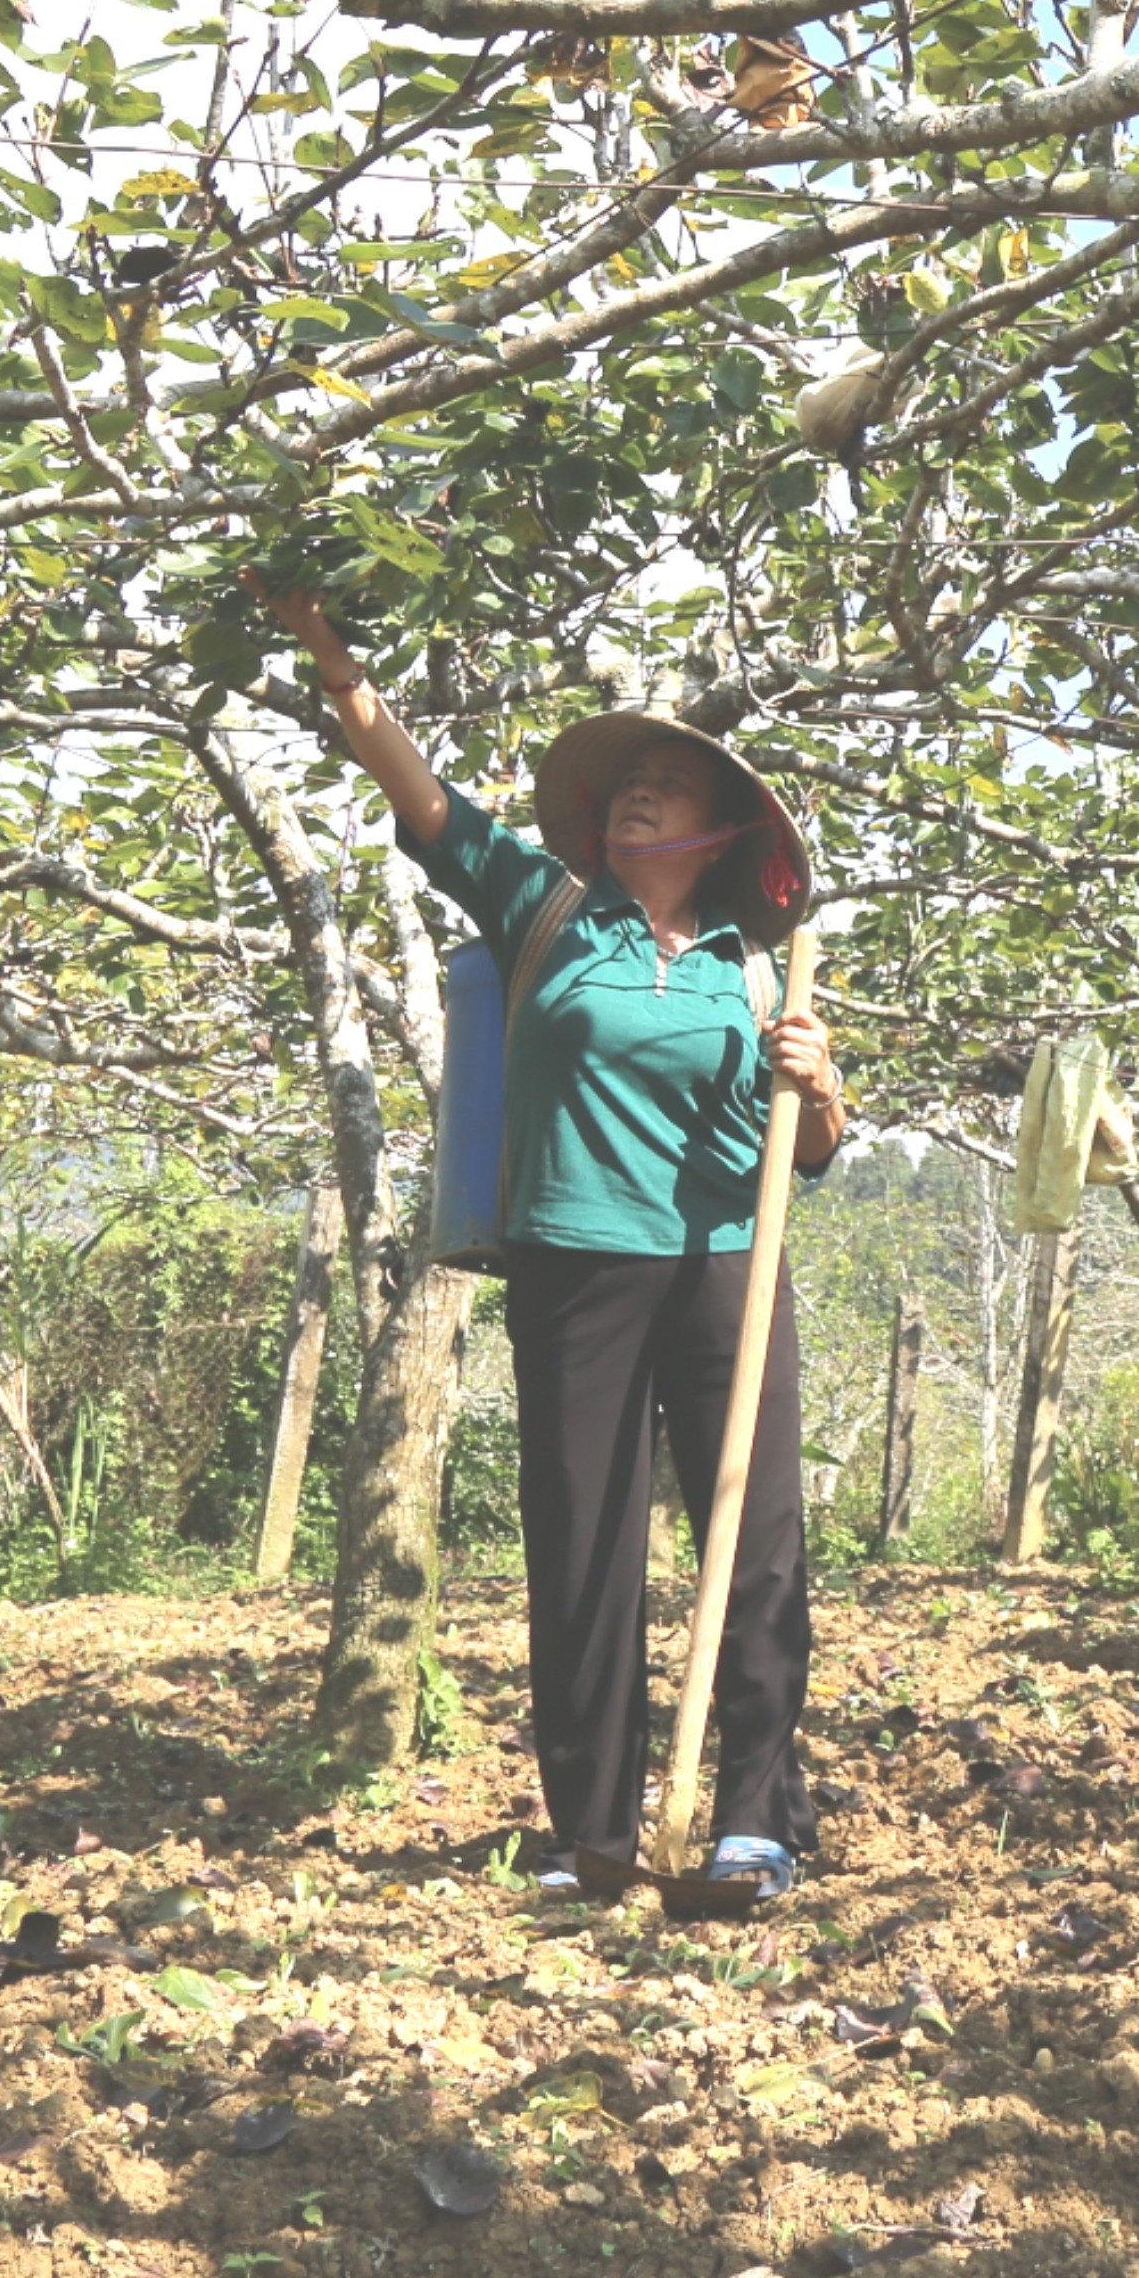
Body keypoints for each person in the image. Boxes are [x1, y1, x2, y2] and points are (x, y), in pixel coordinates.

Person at [263, 581, 852, 1905]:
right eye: (625, 787)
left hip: (723, 1273)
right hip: (575, 1264)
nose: (634, 800)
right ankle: (594, 1832)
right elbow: (418, 794)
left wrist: (815, 1089)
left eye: (663, 790)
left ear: (712, 835)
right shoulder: (544, 909)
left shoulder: (749, 972)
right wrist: (326, 645)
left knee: (752, 1547)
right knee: (583, 1545)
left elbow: (801, 1157)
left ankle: (755, 1816)